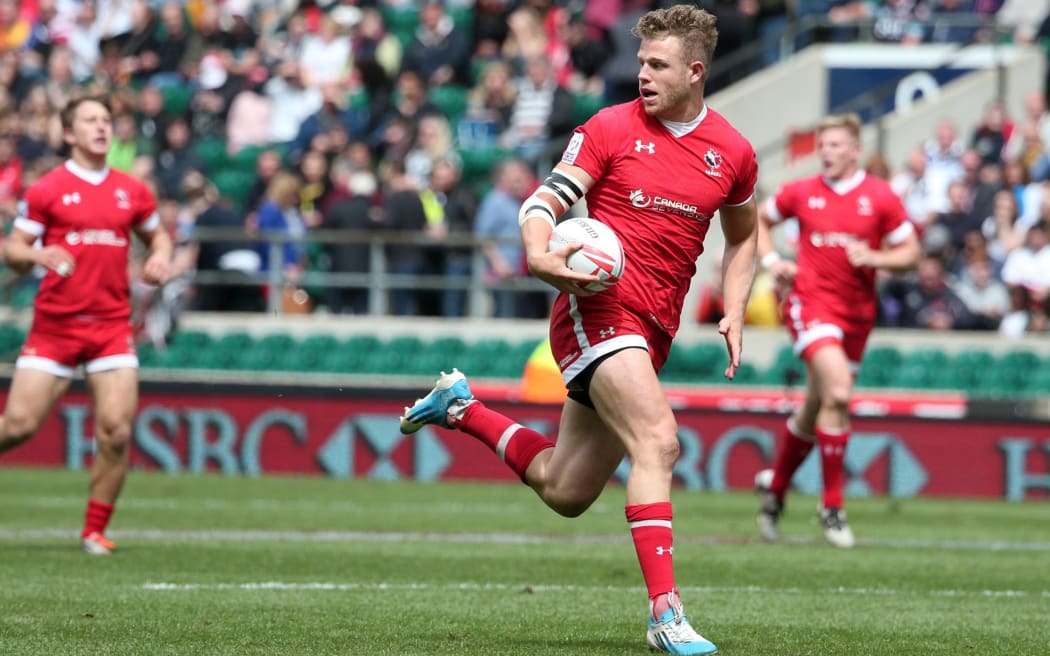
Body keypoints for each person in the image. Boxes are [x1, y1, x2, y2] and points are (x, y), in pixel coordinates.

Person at [399, 6, 758, 654]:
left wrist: (734, 303)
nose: (642, 74)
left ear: (696, 72)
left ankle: (464, 408)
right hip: (593, 309)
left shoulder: (731, 152)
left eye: (657, 65)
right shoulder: (610, 127)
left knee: (566, 490)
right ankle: (666, 614)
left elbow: (744, 236)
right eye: (641, 61)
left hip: (653, 328)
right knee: (659, 440)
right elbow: (546, 200)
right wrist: (539, 252)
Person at [0, 93, 172, 555]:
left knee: (116, 430)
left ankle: (94, 531)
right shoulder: (47, 189)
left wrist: (159, 257)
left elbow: (159, 236)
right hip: (55, 327)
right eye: (90, 120)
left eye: (106, 119)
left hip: (112, 327)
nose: (101, 127)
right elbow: (12, 250)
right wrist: (37, 253)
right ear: (69, 133)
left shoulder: (131, 189)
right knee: (17, 426)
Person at [753, 113, 921, 549]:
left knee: (817, 406)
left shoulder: (880, 197)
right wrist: (774, 264)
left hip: (857, 316)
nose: (825, 152)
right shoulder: (802, 192)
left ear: (853, 149)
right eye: (822, 144)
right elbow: (757, 219)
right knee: (841, 393)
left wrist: (876, 258)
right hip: (809, 305)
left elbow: (912, 254)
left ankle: (774, 493)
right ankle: (832, 507)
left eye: (833, 145)